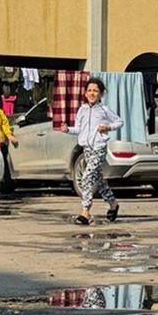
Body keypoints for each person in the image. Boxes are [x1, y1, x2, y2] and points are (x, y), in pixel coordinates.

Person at [62, 78, 123, 225]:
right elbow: (79, 129)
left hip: (99, 148)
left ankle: (86, 212)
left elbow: (119, 122)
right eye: (89, 90)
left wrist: (108, 128)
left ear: (101, 94)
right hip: (87, 149)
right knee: (98, 181)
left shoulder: (104, 110)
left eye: (95, 90)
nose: (92, 93)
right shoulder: (82, 109)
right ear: (85, 93)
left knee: (87, 177)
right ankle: (113, 204)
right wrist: (68, 129)